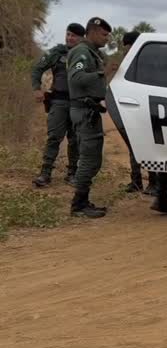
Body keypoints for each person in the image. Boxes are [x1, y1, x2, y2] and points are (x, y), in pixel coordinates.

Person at [66, 16, 112, 219]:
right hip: (84, 111)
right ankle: (78, 205)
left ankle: (83, 201)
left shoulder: (91, 52)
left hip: (89, 110)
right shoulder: (82, 52)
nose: (107, 38)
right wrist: (101, 75)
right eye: (104, 34)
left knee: (93, 159)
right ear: (92, 32)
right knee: (88, 159)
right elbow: (75, 78)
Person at [31, 23, 86, 188]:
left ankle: (72, 174)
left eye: (74, 35)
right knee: (54, 137)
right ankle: (45, 173)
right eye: (68, 34)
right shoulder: (57, 52)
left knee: (75, 139)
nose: (70, 38)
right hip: (59, 102)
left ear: (81, 38)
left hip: (79, 103)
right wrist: (37, 89)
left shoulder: (86, 54)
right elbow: (37, 69)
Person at [119, 30, 157, 195]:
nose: (126, 50)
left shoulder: (148, 63)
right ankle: (136, 182)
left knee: (148, 148)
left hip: (146, 111)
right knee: (133, 147)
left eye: (127, 46)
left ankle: (154, 183)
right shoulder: (128, 63)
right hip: (132, 111)